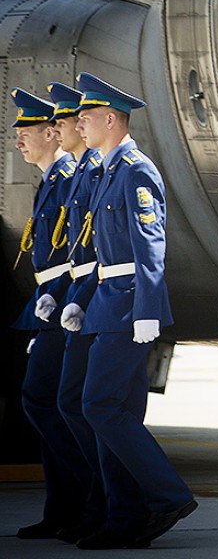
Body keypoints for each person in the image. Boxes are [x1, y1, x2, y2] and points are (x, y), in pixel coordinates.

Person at [60, 72, 197, 549]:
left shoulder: (136, 170)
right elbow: (97, 252)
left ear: (111, 118)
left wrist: (148, 309)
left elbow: (150, 245)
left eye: (85, 117)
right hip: (107, 303)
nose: (79, 125)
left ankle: (167, 495)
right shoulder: (109, 170)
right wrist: (80, 302)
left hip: (127, 306)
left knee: (97, 404)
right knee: (115, 411)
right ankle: (126, 515)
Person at [10, 87, 89, 541]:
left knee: (48, 401)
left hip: (62, 302)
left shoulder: (66, 179)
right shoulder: (53, 179)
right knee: (47, 403)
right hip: (50, 302)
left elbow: (74, 254)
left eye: (29, 132)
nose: (19, 141)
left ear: (51, 133)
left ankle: (78, 501)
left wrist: (56, 303)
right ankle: (65, 505)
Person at [48, 81, 109, 543]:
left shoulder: (109, 170)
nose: (60, 129)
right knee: (73, 402)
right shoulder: (86, 170)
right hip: (82, 295)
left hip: (102, 300)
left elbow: (132, 252)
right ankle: (90, 503)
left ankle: (110, 500)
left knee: (87, 404)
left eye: (65, 121)